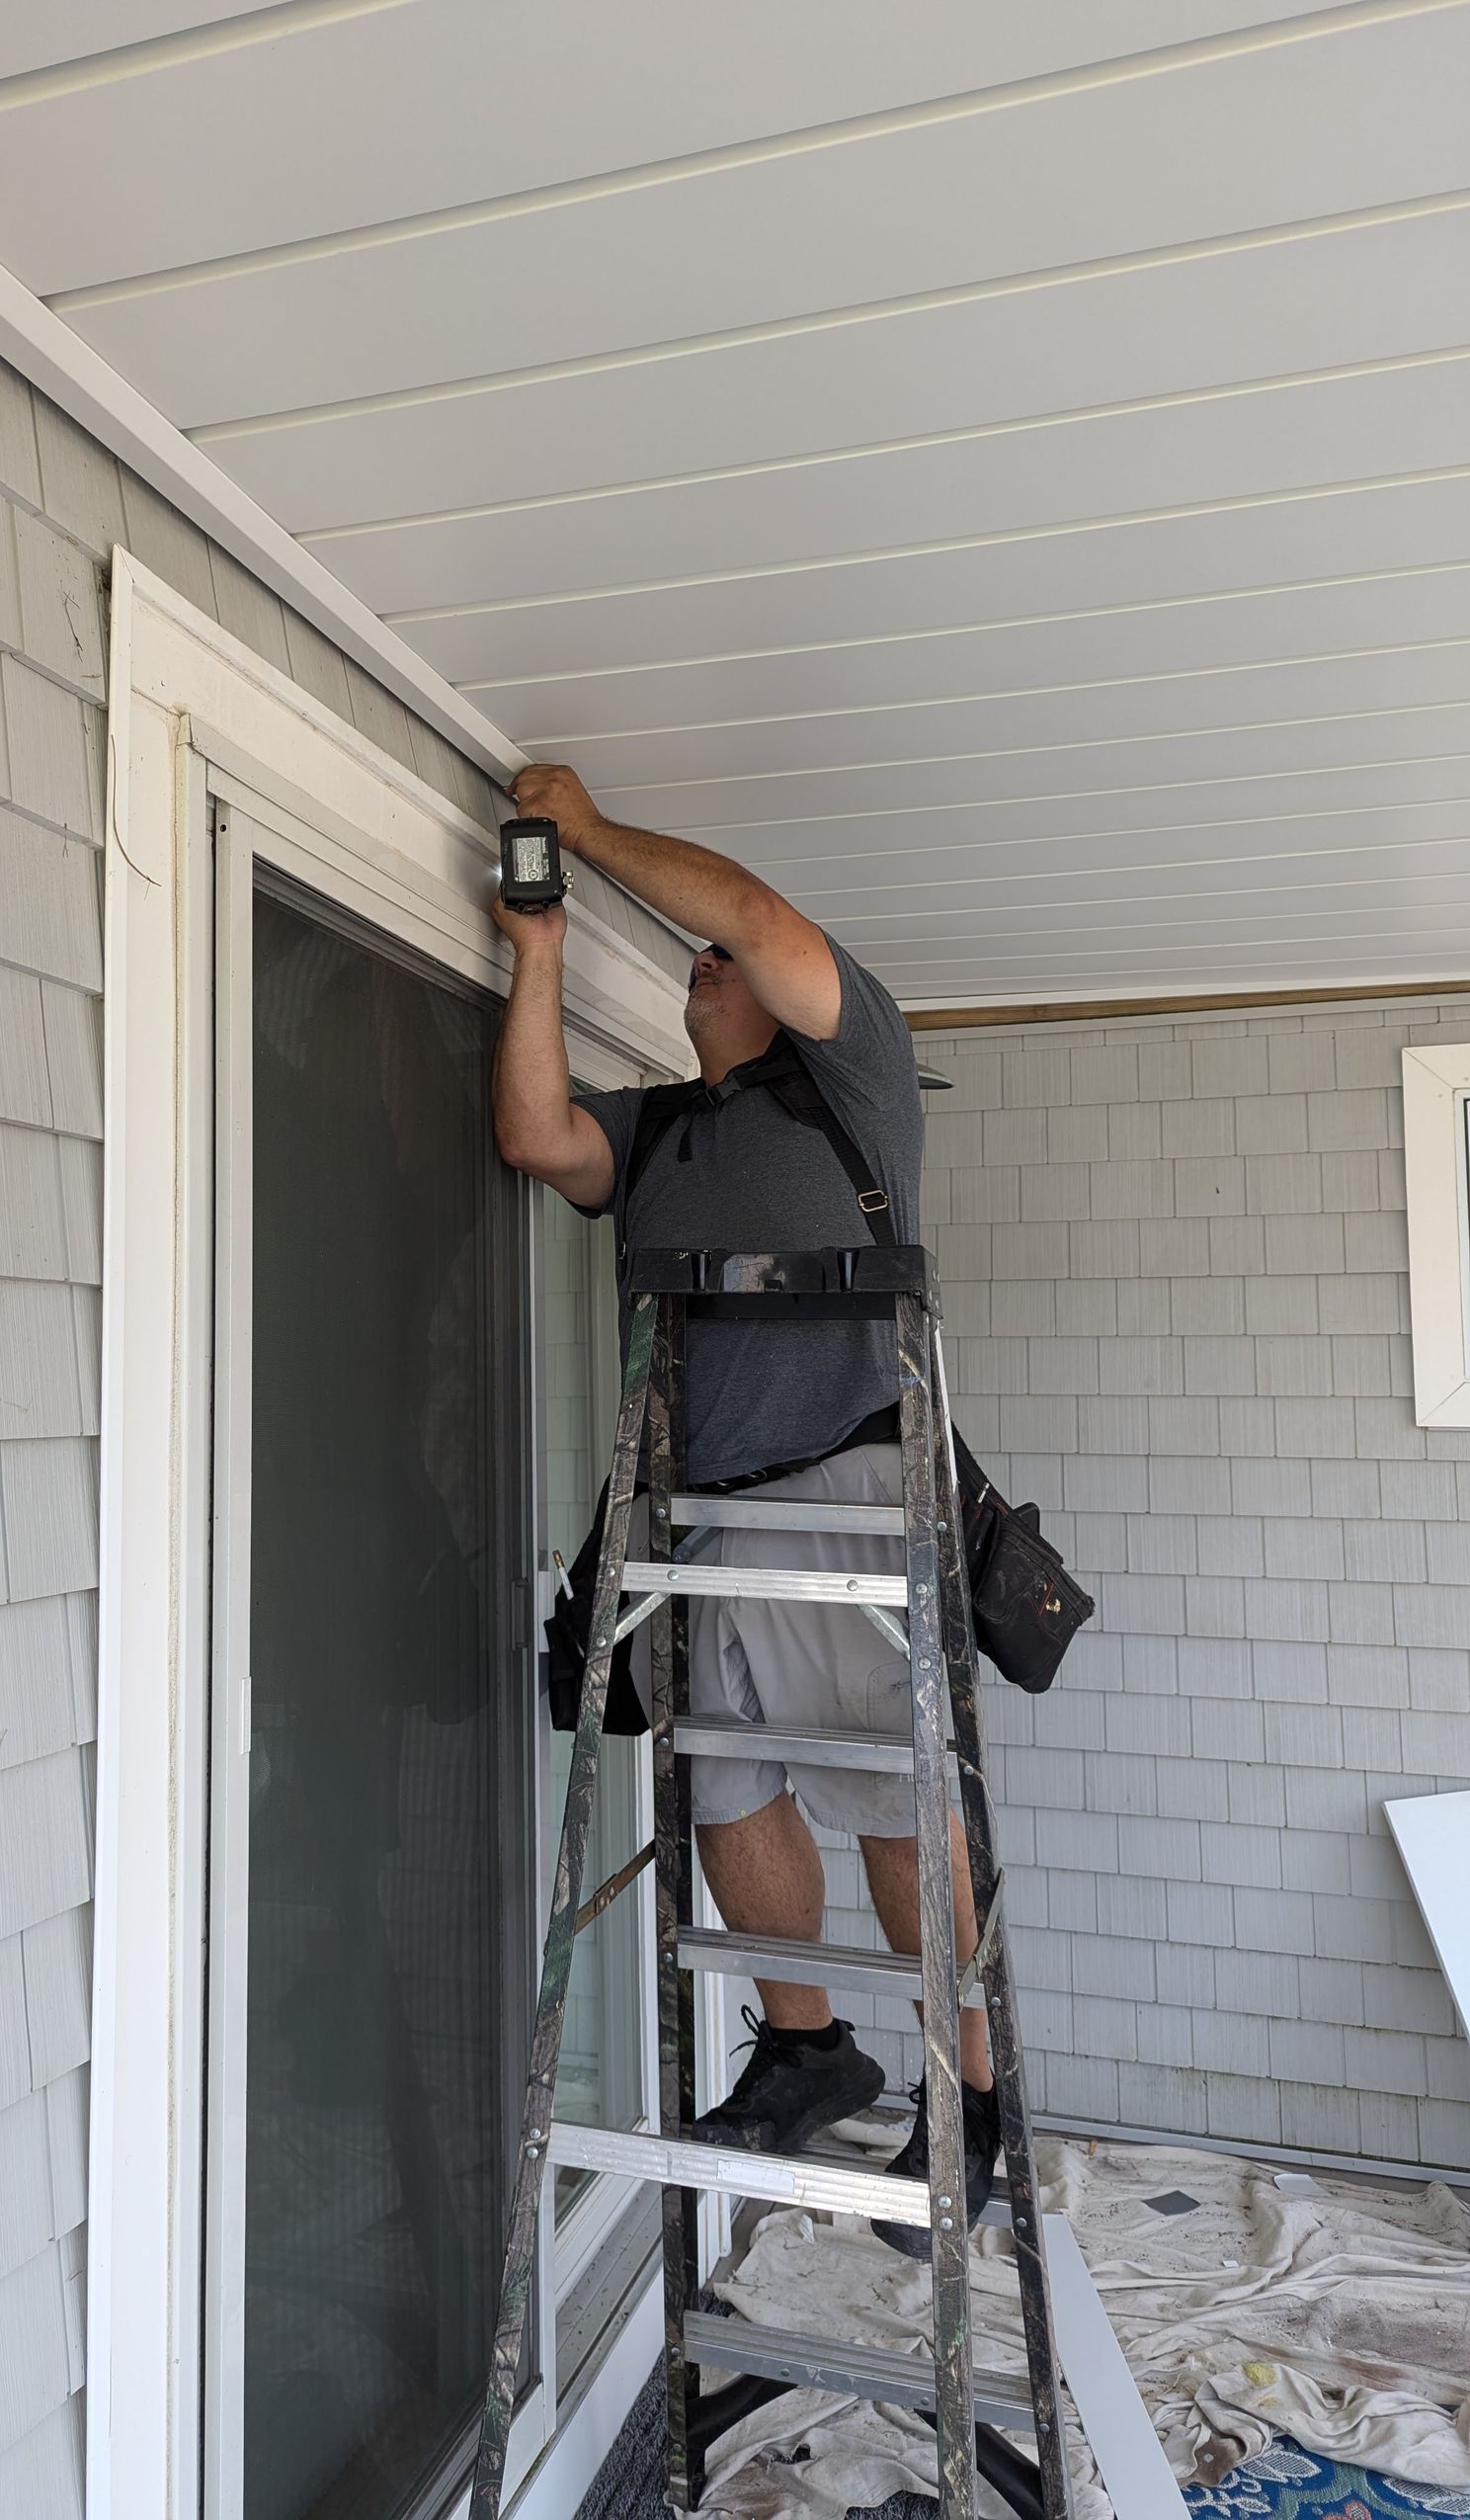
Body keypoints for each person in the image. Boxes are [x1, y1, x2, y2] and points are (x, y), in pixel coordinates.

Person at [490, 762, 999, 2254]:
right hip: (710, 1514)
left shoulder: (858, 1075)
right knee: (727, 1790)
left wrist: (584, 836)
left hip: (856, 1485)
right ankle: (804, 2043)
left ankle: (972, 2102)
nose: (706, 963)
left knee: (897, 1799)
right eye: (695, 961)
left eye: (721, 961)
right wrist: (539, 952)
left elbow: (763, 914)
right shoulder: (656, 1133)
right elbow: (534, 1135)